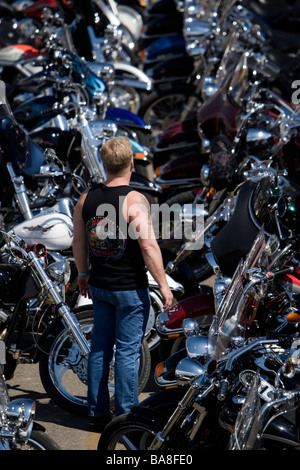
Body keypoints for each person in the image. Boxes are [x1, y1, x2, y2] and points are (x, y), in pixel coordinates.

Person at [72, 136, 173, 432]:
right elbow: (149, 247)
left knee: (100, 348)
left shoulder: (85, 198)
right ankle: (127, 418)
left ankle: (97, 412)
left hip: (100, 288)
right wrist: (164, 286)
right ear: (131, 164)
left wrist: (82, 273)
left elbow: (79, 240)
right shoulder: (134, 199)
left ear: (103, 165)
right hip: (129, 289)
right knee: (128, 352)